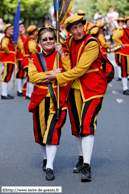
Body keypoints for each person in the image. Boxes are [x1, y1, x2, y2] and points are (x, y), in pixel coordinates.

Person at [41, 15, 112, 182]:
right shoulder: (71, 42)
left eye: (80, 26)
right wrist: (61, 53)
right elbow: (70, 67)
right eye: (74, 28)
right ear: (70, 31)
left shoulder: (92, 43)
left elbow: (79, 70)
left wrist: (57, 78)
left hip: (93, 89)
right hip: (74, 89)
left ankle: (87, 165)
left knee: (87, 123)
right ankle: (81, 159)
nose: (79, 30)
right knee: (76, 126)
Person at [28, 27, 69, 181]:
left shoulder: (62, 56)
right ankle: (45, 158)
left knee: (51, 133)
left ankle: (50, 166)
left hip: (58, 99)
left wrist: (62, 54)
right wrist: (53, 74)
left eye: (51, 38)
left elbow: (70, 72)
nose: (48, 41)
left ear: (55, 39)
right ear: (39, 42)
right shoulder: (33, 58)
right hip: (39, 99)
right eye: (44, 39)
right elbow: (32, 77)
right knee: (40, 133)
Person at [22, 25, 41, 99]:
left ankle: (28, 94)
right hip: (29, 60)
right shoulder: (32, 41)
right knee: (31, 78)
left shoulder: (26, 39)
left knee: (29, 77)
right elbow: (32, 48)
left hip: (25, 60)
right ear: (34, 33)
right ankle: (30, 94)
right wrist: (38, 55)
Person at [112, 17, 129, 95]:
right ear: (126, 23)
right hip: (124, 53)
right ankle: (125, 88)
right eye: (128, 22)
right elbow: (114, 37)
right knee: (124, 71)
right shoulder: (123, 30)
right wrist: (120, 44)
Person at [0, 24, 15, 99]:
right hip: (7, 59)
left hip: (10, 59)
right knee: (6, 75)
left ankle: (5, 93)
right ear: (6, 30)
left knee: (8, 75)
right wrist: (8, 53)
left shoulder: (10, 38)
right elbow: (4, 46)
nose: (12, 30)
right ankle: (3, 94)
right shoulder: (6, 38)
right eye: (10, 29)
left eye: (12, 29)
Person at [16, 21, 27, 96]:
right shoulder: (17, 35)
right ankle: (19, 90)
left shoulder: (24, 35)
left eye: (23, 26)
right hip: (20, 56)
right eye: (21, 26)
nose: (22, 28)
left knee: (24, 73)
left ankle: (23, 89)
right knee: (20, 72)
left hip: (25, 56)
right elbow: (21, 46)